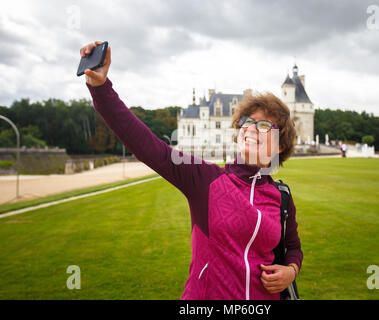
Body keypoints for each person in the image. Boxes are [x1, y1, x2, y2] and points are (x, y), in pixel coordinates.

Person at [80, 41, 303, 300]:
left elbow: (293, 247)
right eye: (246, 121)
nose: (251, 128)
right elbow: (147, 146)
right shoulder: (206, 181)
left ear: (282, 145)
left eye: (264, 124)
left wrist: (291, 271)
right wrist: (101, 88)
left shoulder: (281, 196)